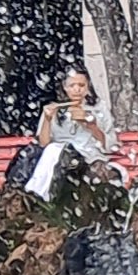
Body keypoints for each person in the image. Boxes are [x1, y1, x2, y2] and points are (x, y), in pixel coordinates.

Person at [24, 66, 113, 199]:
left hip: (89, 160)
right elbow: (43, 143)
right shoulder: (54, 109)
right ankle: (42, 195)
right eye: (72, 85)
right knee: (54, 149)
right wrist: (47, 119)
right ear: (64, 87)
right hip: (56, 162)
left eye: (81, 85)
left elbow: (109, 145)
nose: (77, 90)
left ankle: (41, 194)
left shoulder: (98, 108)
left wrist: (90, 124)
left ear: (88, 87)